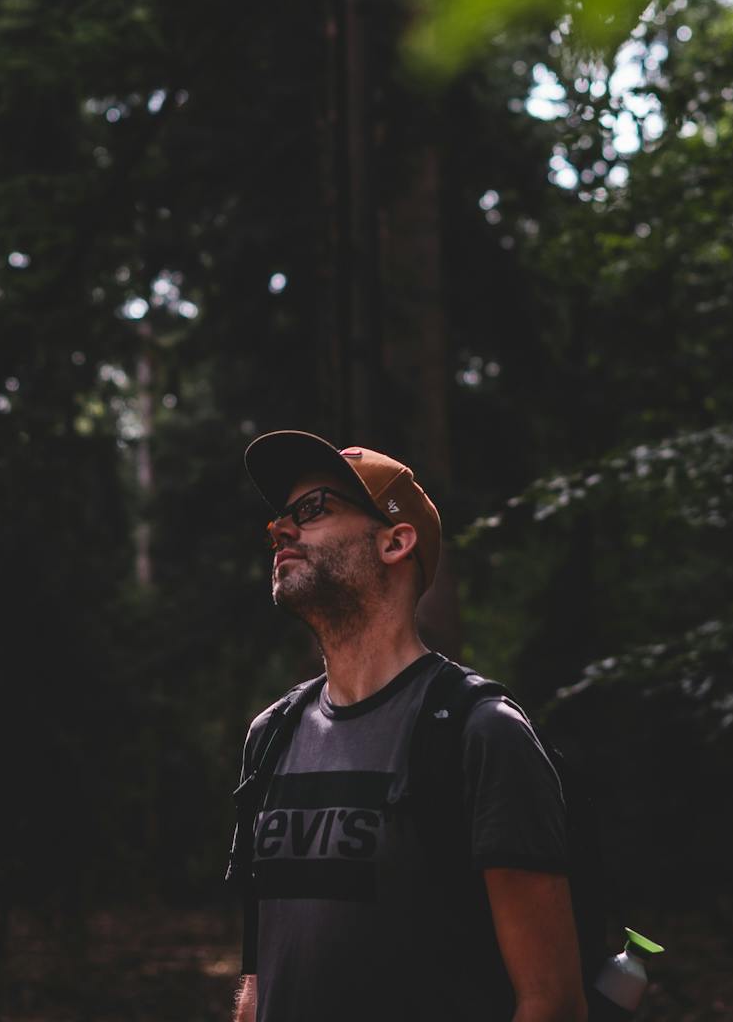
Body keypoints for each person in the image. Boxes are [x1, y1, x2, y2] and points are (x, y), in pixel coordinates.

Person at [226, 430, 587, 1022]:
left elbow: (552, 1003)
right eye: (280, 519)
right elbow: (260, 975)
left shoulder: (479, 733)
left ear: (395, 543)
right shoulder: (270, 737)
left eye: (314, 509)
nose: (282, 530)